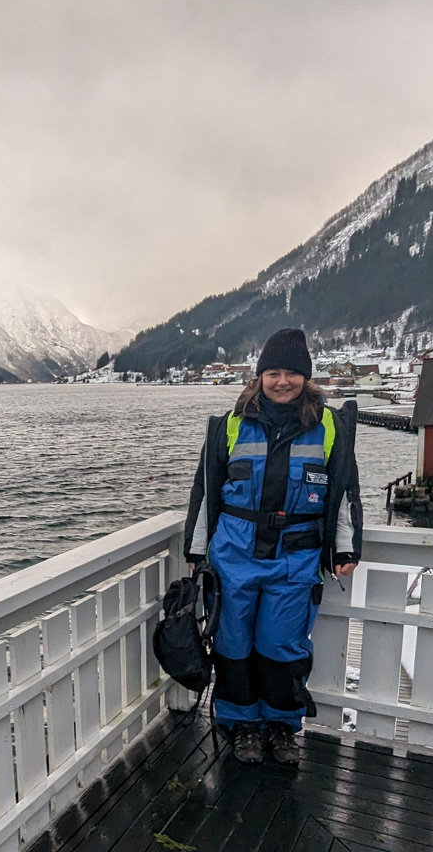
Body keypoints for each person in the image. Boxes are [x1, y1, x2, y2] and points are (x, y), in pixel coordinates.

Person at [183, 328, 362, 766]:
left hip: (296, 555)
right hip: (234, 554)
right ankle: (241, 724)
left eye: (292, 373)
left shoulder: (329, 428)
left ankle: (282, 726)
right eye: (273, 372)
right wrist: (196, 549)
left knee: (282, 645)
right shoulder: (229, 424)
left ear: (307, 378)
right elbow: (207, 491)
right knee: (233, 643)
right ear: (259, 376)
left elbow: (343, 494)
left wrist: (345, 548)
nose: (282, 381)